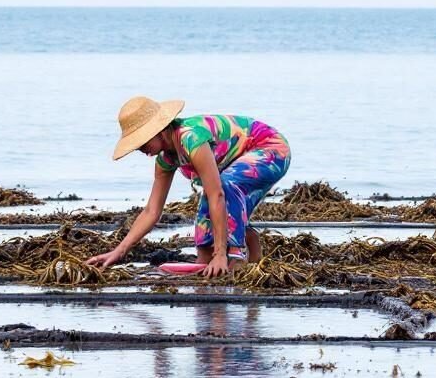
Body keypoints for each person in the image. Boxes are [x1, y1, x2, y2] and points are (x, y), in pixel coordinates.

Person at [87, 96, 290, 277]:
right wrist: (119, 251)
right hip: (241, 161)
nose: (140, 149)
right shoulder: (166, 160)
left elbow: (218, 194)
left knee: (225, 187)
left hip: (270, 149)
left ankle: (234, 256)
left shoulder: (190, 138)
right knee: (206, 207)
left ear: (158, 130)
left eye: (141, 142)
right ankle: (238, 259)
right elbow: (151, 211)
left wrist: (220, 254)